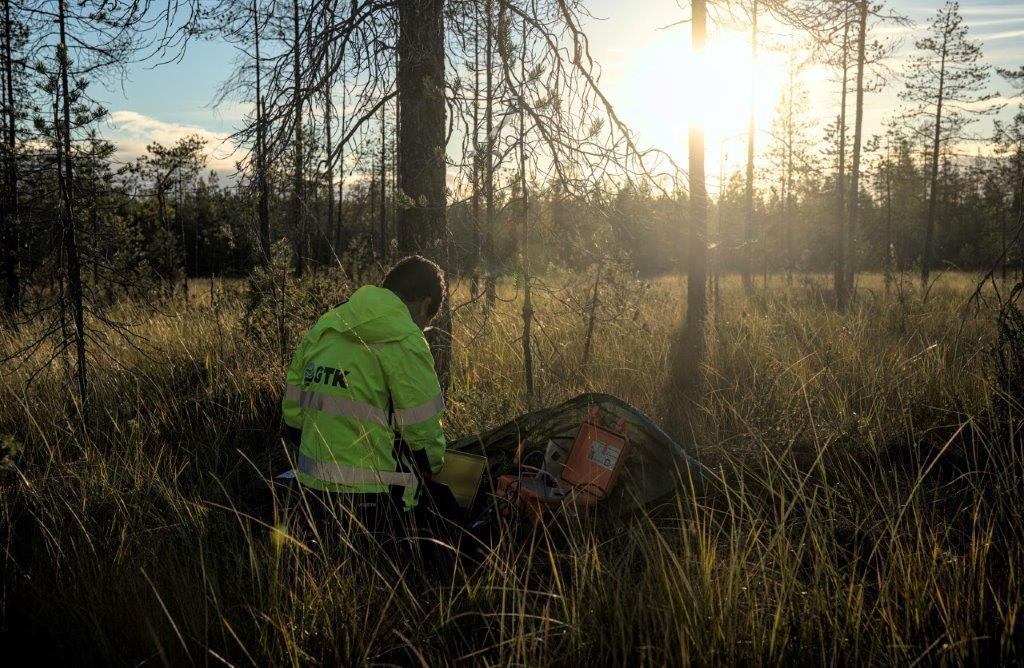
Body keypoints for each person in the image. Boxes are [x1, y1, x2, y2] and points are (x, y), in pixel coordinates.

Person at [281, 256, 448, 549]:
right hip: (374, 500)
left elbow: (293, 417)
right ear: (424, 305)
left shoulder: (326, 325)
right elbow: (422, 433)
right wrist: (433, 466)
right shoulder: (406, 340)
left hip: (311, 490)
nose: (422, 328)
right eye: (427, 322)